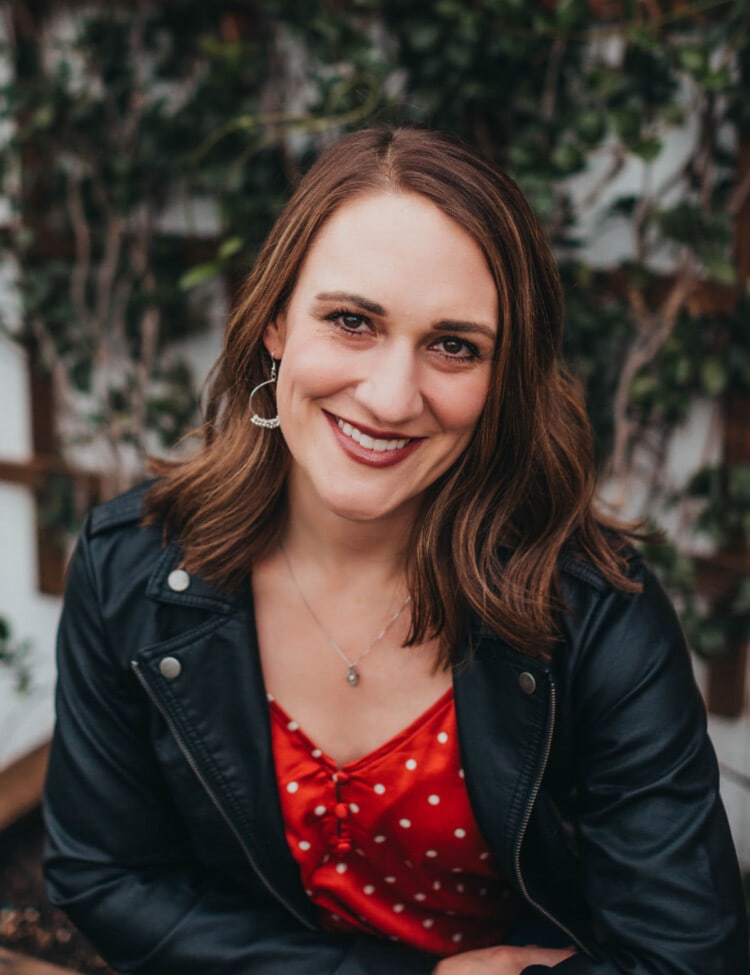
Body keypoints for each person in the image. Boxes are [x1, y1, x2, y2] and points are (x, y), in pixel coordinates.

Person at [43, 127, 748, 975]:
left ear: (505, 375)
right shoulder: (131, 566)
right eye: (351, 320)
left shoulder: (596, 617)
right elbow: (106, 876)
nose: (388, 395)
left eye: (454, 345)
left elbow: (686, 957)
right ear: (274, 320)